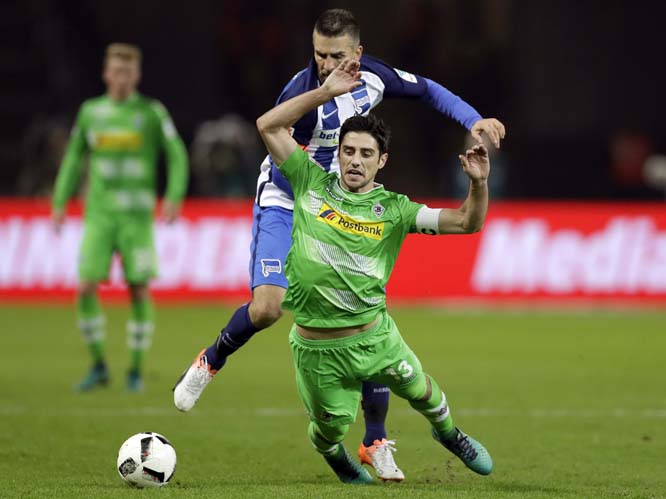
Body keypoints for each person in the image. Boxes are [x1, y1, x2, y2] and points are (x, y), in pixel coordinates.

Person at [173, 8, 504, 481]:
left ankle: (374, 441)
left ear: (358, 53)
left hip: (342, 202)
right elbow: (270, 130)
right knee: (268, 308)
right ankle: (212, 359)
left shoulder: (375, 78)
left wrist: (475, 120)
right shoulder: (302, 91)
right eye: (319, 55)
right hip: (291, 197)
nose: (326, 64)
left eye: (335, 56)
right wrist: (324, 92)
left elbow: (429, 89)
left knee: (358, 302)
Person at [254, 58, 495, 484]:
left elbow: (466, 223)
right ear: (338, 154)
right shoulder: (310, 181)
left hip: (375, 336)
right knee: (329, 430)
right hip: (316, 350)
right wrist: (324, 93)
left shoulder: (397, 210)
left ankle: (450, 435)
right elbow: (268, 126)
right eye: (348, 151)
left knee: (424, 392)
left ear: (381, 162)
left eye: (366, 154)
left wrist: (478, 184)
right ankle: (336, 456)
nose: (355, 161)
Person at [52, 43, 188, 392]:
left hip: (136, 219)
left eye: (128, 72)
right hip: (99, 216)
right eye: (116, 71)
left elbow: (176, 155)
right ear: (106, 73)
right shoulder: (90, 113)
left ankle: (136, 370)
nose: (122, 78)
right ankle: (98, 364)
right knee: (84, 287)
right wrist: (59, 201)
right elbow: (72, 159)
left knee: (139, 288)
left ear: (137, 76)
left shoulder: (151, 113)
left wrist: (173, 196)